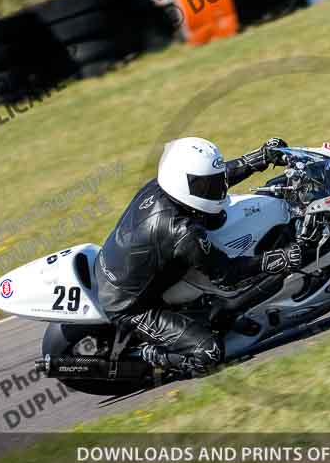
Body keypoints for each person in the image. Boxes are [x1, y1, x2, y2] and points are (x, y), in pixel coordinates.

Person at [93, 137, 301, 377]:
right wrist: (277, 259)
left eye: (214, 181)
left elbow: (210, 185)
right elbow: (227, 276)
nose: (218, 188)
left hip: (118, 266)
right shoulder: (180, 232)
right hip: (130, 306)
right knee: (208, 354)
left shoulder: (162, 186)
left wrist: (254, 161)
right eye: (208, 185)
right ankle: (150, 355)